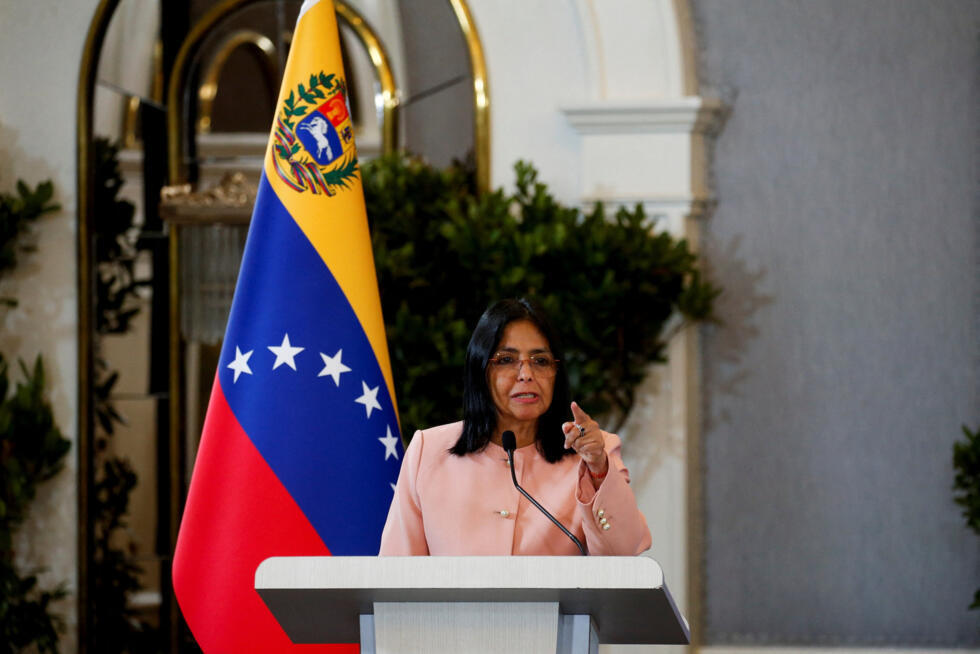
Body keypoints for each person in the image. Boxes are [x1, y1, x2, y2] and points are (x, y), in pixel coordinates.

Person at [379, 298, 651, 556]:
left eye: (540, 361)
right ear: (481, 369)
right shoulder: (429, 450)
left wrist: (598, 469)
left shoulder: (594, 451)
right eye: (506, 360)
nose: (526, 374)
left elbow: (623, 552)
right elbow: (396, 573)